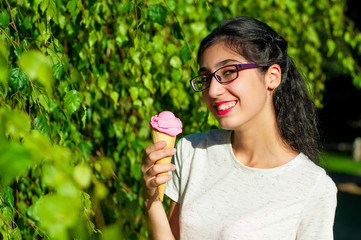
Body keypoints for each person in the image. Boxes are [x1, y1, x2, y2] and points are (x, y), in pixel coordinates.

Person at [141, 16, 337, 240]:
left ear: (272, 77)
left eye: (228, 72)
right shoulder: (191, 151)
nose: (213, 91)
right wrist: (152, 200)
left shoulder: (313, 186)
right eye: (206, 78)